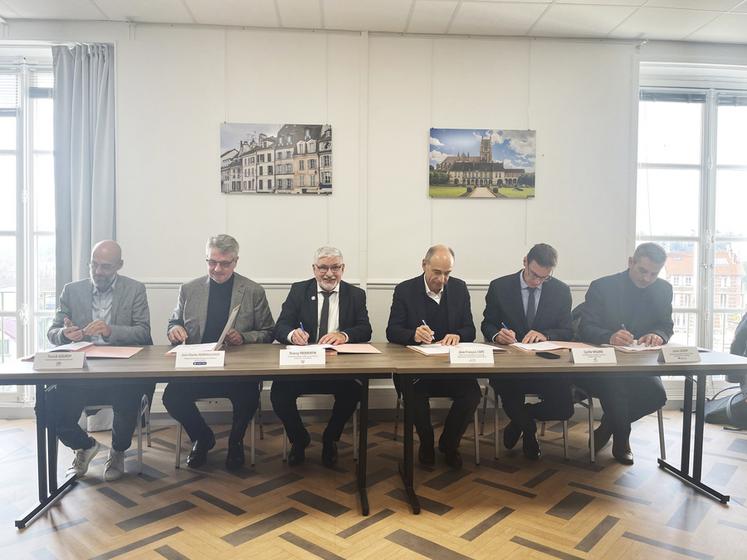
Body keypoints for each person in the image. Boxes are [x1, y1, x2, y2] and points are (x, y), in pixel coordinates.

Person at [162, 234, 274, 470]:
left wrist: (244, 337)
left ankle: (235, 443)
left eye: (224, 263)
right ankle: (202, 438)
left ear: (236, 262)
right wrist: (176, 330)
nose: (217, 268)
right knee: (171, 397)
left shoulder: (253, 291)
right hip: (197, 366)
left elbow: (268, 332)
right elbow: (173, 323)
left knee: (249, 396)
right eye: (211, 262)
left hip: (236, 368)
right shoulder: (189, 289)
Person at [47, 240, 153, 481]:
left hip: (121, 368)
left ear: (119, 265)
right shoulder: (71, 291)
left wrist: (109, 330)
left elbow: (143, 332)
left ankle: (118, 450)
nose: (98, 272)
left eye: (105, 267)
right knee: (47, 404)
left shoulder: (135, 289)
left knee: (129, 395)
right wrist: (65, 334)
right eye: (93, 265)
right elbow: (53, 331)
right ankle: (84, 445)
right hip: (82, 370)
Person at [271, 246, 372, 468]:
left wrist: (343, 335)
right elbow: (280, 327)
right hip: (303, 366)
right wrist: (291, 334)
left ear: (343, 268)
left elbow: (365, 330)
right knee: (279, 393)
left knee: (355, 390)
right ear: (314, 269)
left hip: (339, 368)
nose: (329, 273)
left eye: (335, 267)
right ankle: (299, 440)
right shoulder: (299, 291)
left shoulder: (355, 295)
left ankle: (330, 438)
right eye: (323, 268)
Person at [386, 244, 481, 469]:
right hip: (416, 369)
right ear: (424, 265)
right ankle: (426, 444)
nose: (442, 279)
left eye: (447, 273)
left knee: (472, 395)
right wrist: (413, 334)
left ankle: (449, 444)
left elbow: (471, 330)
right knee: (414, 396)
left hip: (452, 368)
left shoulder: (459, 289)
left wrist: (457, 335)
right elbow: (392, 331)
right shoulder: (405, 290)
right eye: (437, 272)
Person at [577, 242, 672, 465]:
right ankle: (622, 438)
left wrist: (657, 335)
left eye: (654, 274)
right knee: (617, 388)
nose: (647, 278)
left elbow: (666, 325)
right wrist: (609, 336)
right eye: (642, 271)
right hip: (603, 365)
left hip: (640, 364)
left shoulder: (663, 289)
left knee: (657, 396)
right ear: (631, 262)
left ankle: (607, 428)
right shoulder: (603, 286)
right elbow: (585, 327)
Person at [481, 243, 574, 459]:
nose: (537, 281)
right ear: (525, 262)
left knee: (565, 409)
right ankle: (529, 430)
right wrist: (497, 335)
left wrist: (546, 335)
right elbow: (488, 324)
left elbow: (568, 331)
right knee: (511, 393)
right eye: (534, 275)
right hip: (509, 366)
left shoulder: (560, 291)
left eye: (544, 277)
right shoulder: (500, 287)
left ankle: (521, 422)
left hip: (547, 366)